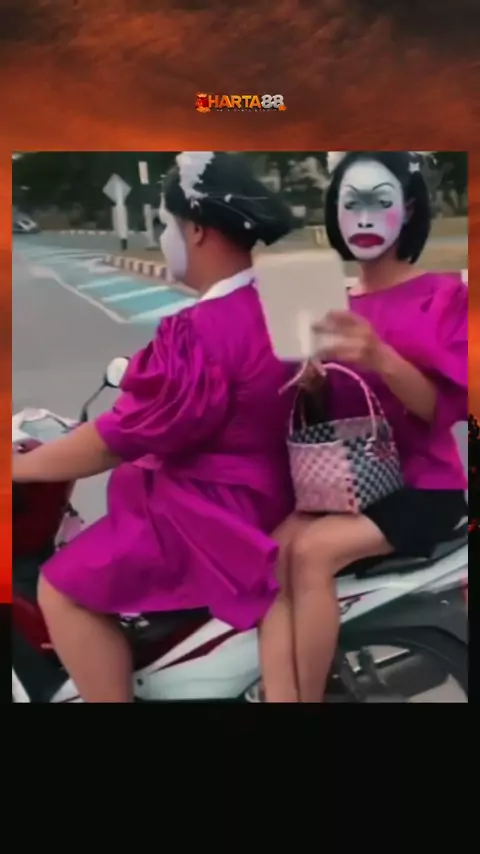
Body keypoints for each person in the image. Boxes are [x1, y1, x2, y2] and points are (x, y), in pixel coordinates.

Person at [12, 151, 296, 702]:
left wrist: (21, 467)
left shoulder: (199, 331)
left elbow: (115, 440)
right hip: (270, 492)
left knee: (60, 587)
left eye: (166, 224)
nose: (163, 238)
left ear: (196, 229)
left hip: (212, 514)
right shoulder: (275, 303)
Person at [259, 151, 468, 703]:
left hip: (424, 486)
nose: (365, 218)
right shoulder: (334, 303)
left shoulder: (444, 296)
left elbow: (442, 412)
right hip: (351, 483)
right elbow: (337, 418)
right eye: (351, 204)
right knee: (266, 553)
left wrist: (381, 356)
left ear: (410, 209)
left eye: (381, 201)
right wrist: (312, 385)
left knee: (312, 553)